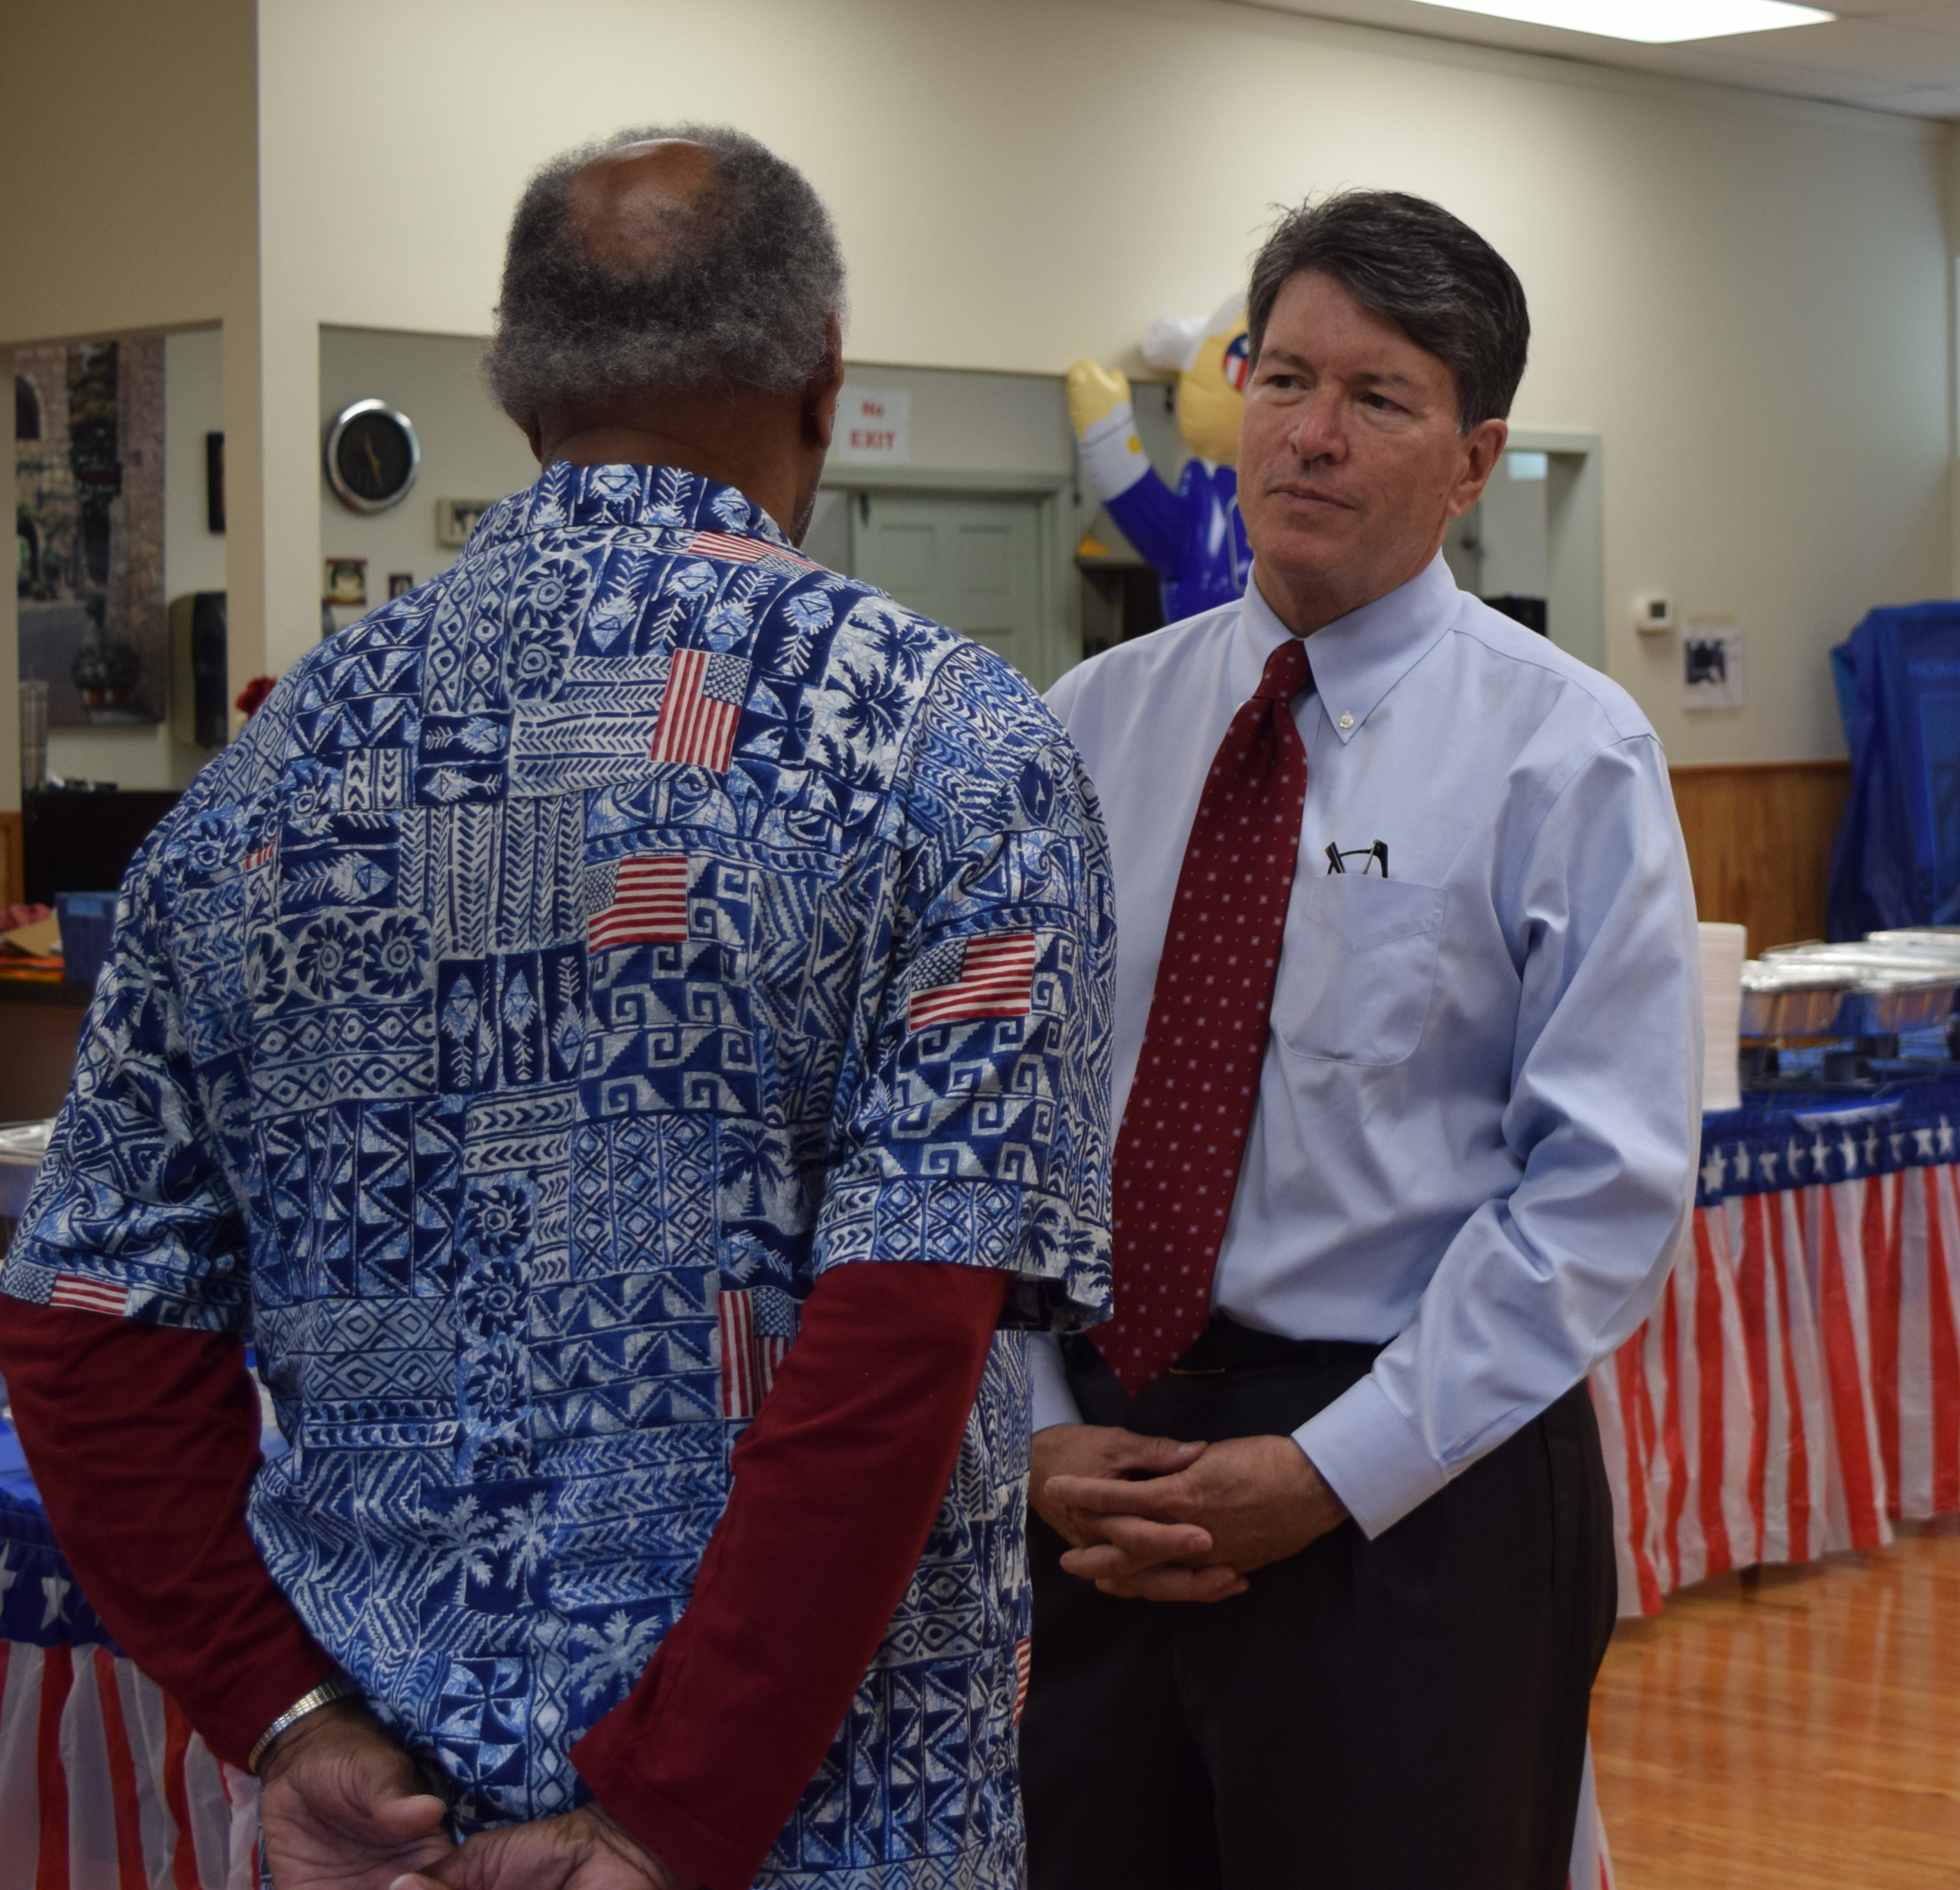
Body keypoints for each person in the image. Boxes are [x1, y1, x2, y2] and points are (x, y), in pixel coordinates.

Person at [0, 125, 1145, 1890]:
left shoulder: (260, 784)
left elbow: (88, 1330)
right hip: (809, 1828)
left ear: (511, 387)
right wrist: (664, 1810)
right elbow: (900, 1333)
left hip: (392, 1830)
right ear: (822, 375)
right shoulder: (943, 749)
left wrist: (283, 1720)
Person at [1023, 191, 1699, 1890]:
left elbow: (1605, 1189)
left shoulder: (1567, 751)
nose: (1310, 436)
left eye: (1377, 399)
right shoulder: (1089, 730)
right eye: (1282, 376)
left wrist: (1330, 1472)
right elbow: (992, 1119)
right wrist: (1027, 1415)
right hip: (1102, 1488)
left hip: (1414, 1486)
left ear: (1472, 462)